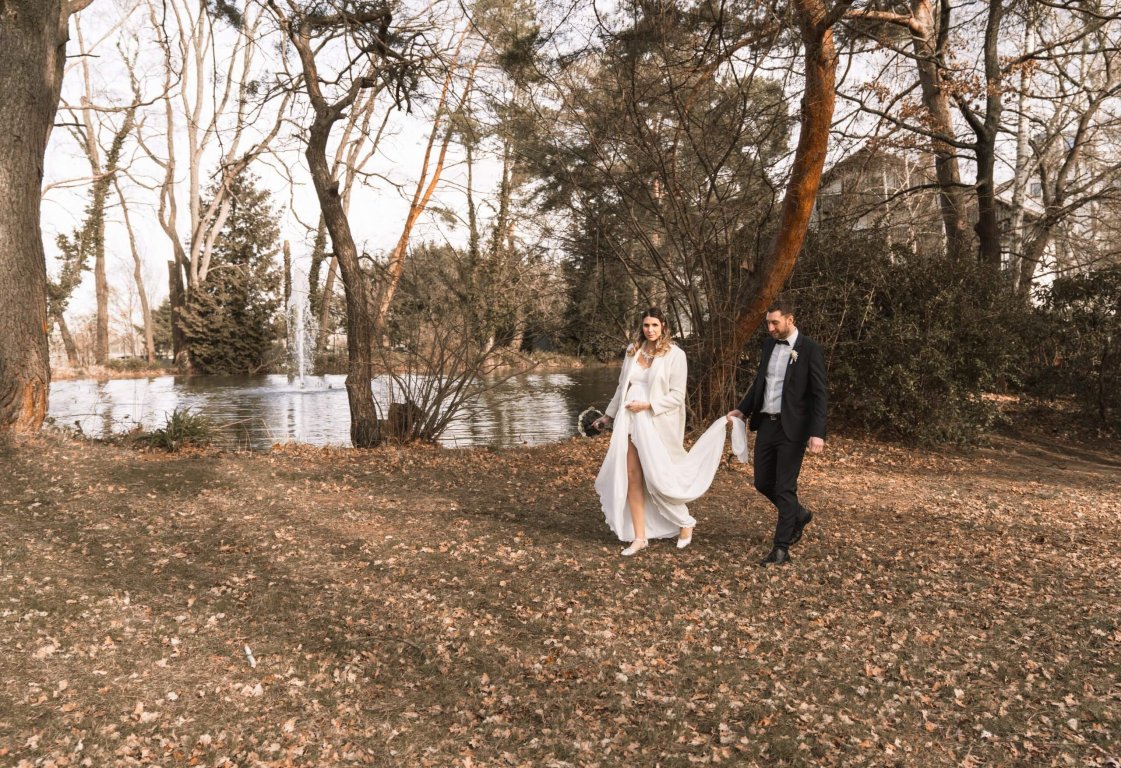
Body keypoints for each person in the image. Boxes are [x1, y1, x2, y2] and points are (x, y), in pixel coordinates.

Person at [591, 308, 730, 556]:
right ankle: (640, 537)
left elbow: (677, 395)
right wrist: (608, 415)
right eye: (646, 325)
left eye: (655, 325)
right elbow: (623, 386)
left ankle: (685, 522)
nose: (650, 330)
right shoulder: (632, 351)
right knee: (632, 476)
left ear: (663, 326)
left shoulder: (675, 355)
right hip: (628, 418)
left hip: (654, 420)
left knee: (657, 477)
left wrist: (649, 405)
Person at [727, 298, 827, 566]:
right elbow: (761, 383)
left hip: (793, 428)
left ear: (790, 320)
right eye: (768, 322)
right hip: (767, 424)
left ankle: (781, 549)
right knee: (762, 482)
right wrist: (742, 410)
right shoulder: (769, 345)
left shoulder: (810, 350)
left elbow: (820, 395)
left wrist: (818, 432)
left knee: (784, 486)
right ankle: (799, 514)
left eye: (775, 322)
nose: (770, 327)